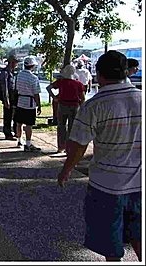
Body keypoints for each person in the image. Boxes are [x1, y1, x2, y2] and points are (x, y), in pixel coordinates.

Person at [58, 51, 142, 262]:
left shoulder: (94, 105)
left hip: (107, 186)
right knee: (139, 234)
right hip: (141, 184)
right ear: (126, 72)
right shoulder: (142, 98)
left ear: (99, 74)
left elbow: (78, 146)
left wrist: (66, 170)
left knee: (110, 244)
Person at [46, 64, 85, 155]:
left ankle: (60, 147)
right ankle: (69, 148)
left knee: (61, 126)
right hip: (74, 106)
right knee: (72, 128)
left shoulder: (61, 82)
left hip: (62, 105)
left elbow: (48, 88)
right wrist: (82, 108)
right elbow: (82, 98)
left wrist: (54, 97)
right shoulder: (78, 84)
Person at [13, 56, 42, 152]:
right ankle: (28, 144)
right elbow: (36, 93)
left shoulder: (18, 76)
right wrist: (39, 105)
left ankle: (19, 140)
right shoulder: (34, 78)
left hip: (20, 101)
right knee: (29, 125)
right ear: (32, 66)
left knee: (19, 123)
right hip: (30, 103)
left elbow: (15, 88)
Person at [0, 55, 19, 140]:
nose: (16, 65)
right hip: (8, 97)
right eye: (15, 63)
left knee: (14, 115)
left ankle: (15, 131)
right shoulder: (5, 73)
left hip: (14, 97)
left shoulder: (12, 72)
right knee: (8, 116)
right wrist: (6, 100)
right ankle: (7, 133)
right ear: (12, 63)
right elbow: (4, 87)